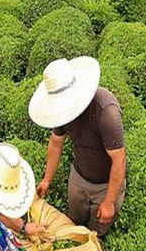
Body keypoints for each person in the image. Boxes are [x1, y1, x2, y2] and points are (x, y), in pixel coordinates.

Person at [29, 57, 126, 238]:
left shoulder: (106, 112)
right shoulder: (62, 111)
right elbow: (55, 143)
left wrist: (109, 202)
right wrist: (46, 180)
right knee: (73, 220)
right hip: (79, 177)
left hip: (105, 183)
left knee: (97, 231)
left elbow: (119, 160)